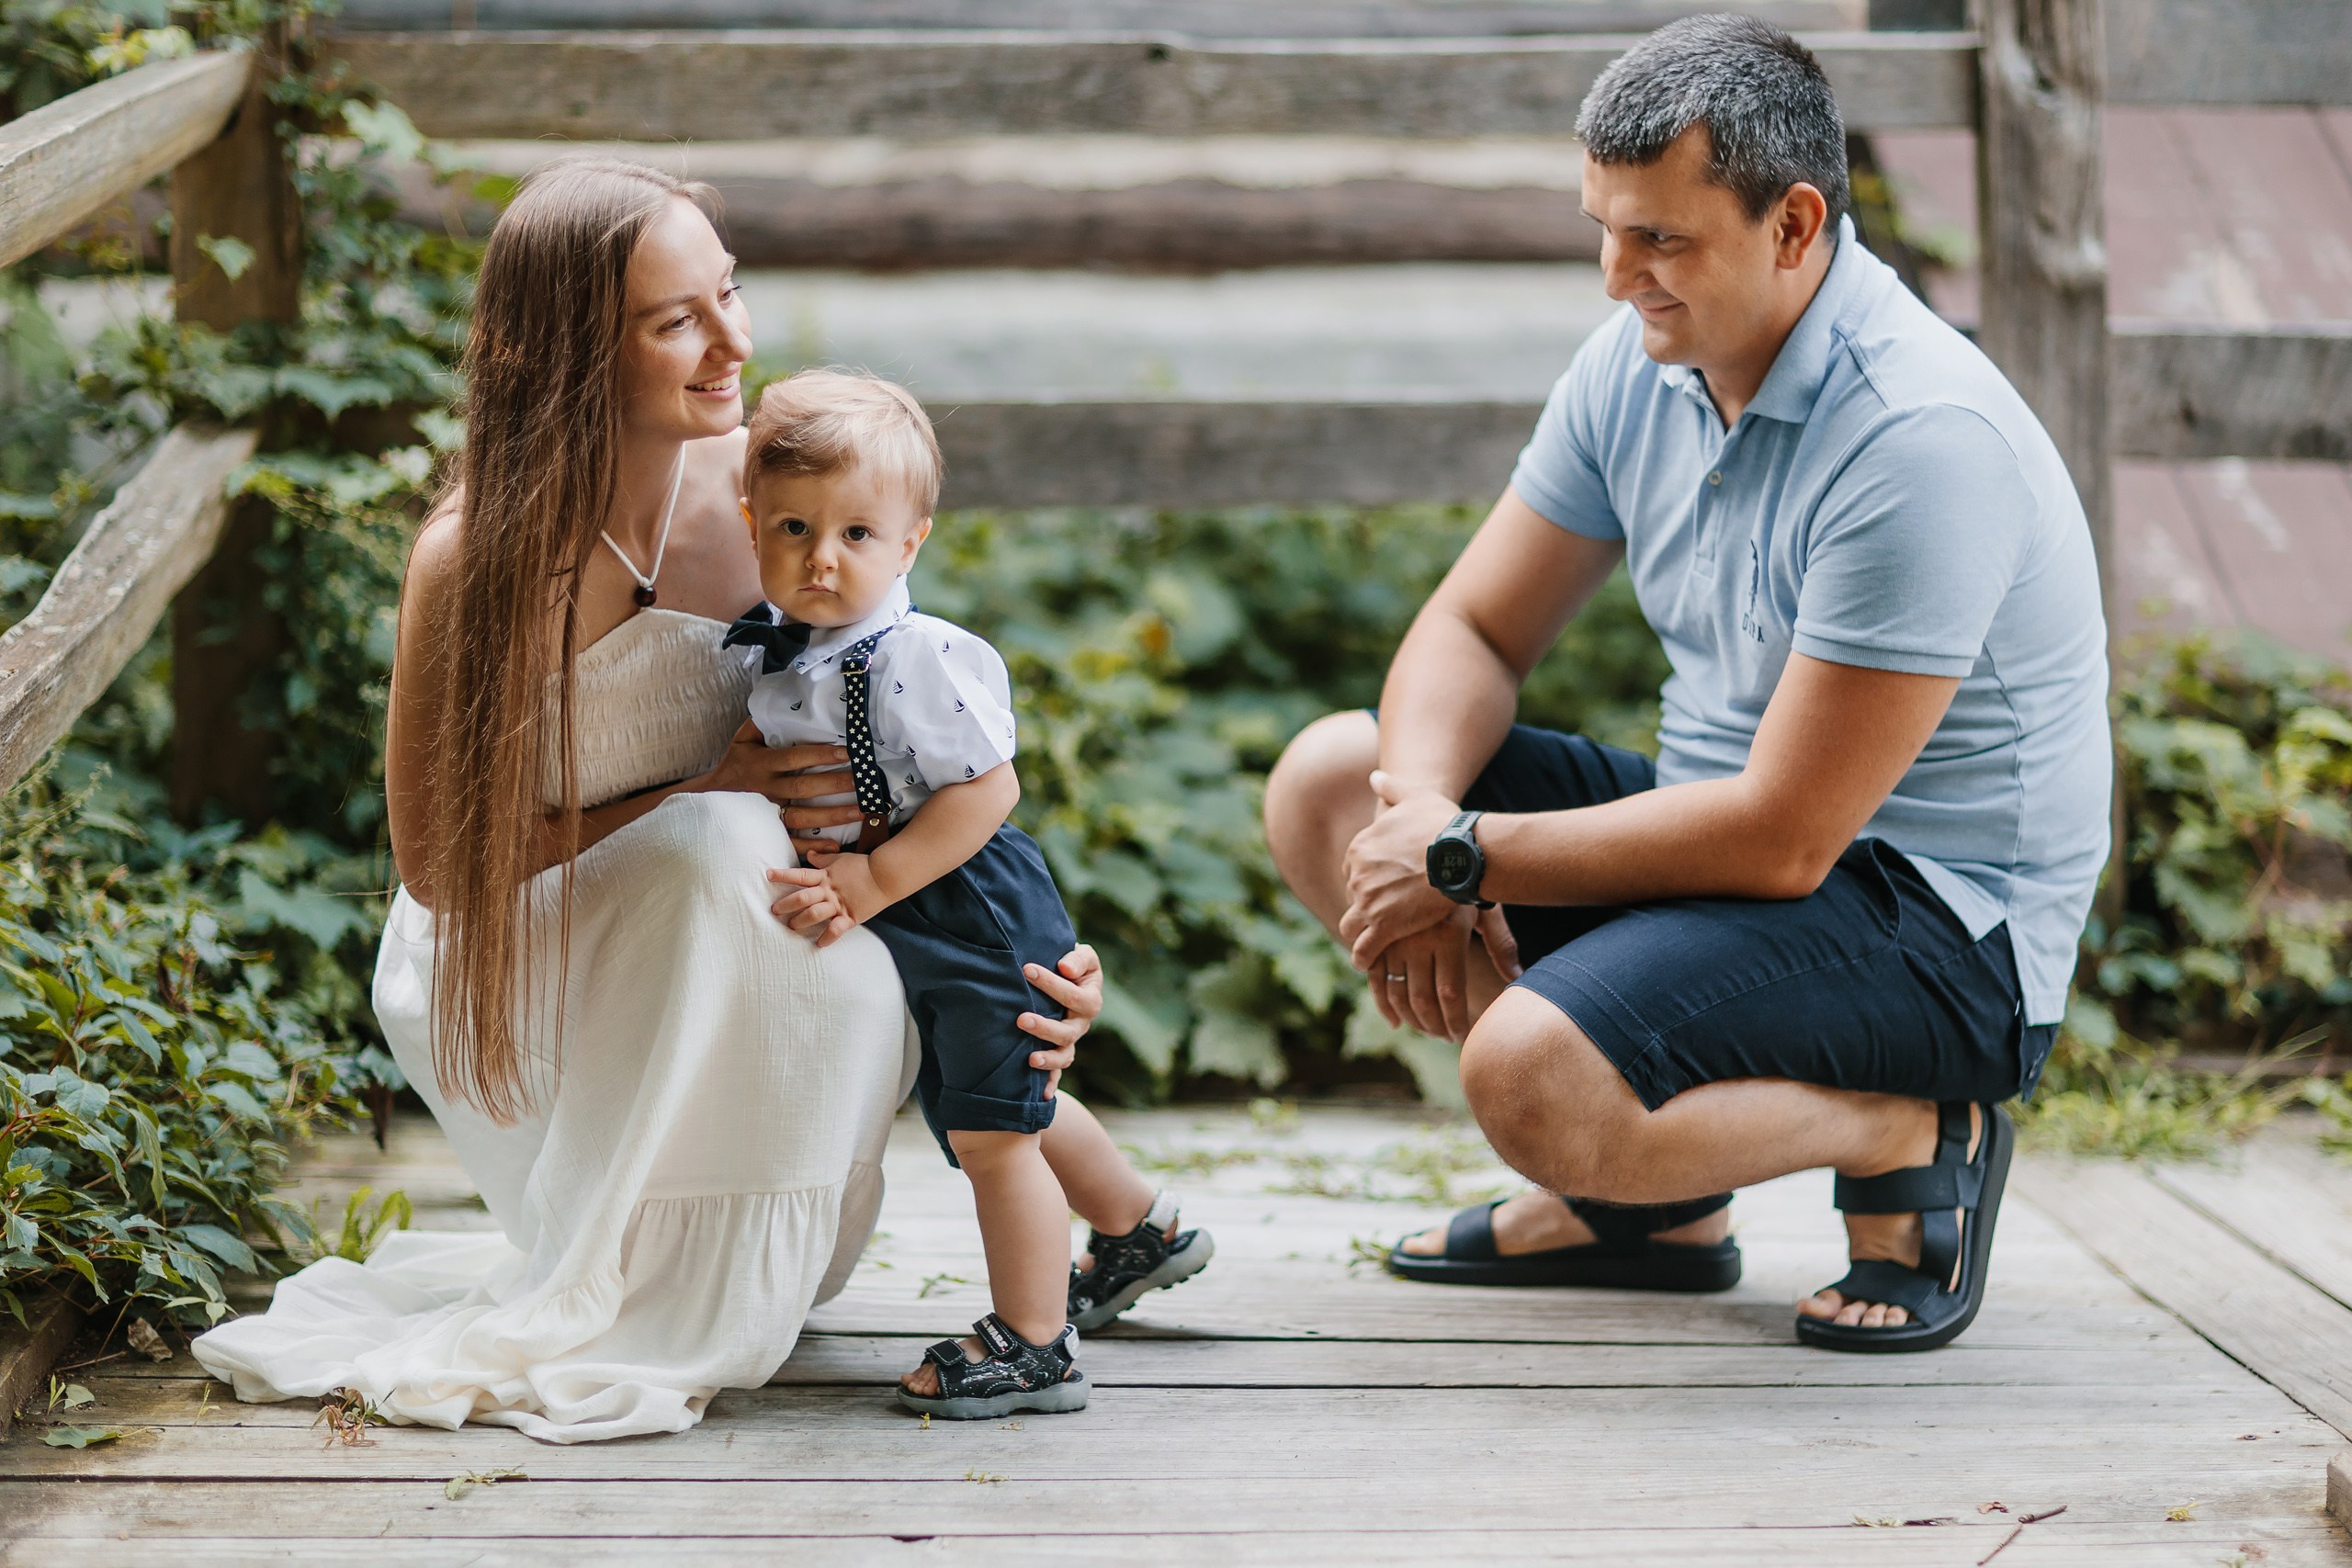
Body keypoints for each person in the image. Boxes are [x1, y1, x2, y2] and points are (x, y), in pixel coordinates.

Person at [191, 159, 1106, 1441]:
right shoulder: (477, 557)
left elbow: (916, 740)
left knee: (781, 882)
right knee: (720, 838)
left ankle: (909, 1237)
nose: (735, 341)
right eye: (678, 319)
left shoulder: (773, 495)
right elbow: (443, 869)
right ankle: (636, 1260)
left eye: (728, 292)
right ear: (568, 352)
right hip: (524, 944)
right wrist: (701, 784)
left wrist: (1036, 955)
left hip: (755, 925)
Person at [1263, 16, 2109, 1351]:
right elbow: (1476, 627)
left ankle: (1912, 1127)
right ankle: (1642, 1206)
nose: (1617, 278)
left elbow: (1785, 836)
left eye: (1661, 239)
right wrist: (1421, 809)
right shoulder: (1648, 361)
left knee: (1527, 1073)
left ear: (1793, 226)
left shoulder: (1918, 438)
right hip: (1732, 842)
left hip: (1936, 925)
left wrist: (1466, 856)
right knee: (1333, 778)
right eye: (1606, 228)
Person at [723, 370, 1212, 1417]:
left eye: (858, 534)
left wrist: (873, 877)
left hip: (963, 897)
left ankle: (1036, 1343)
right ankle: (1140, 1230)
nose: (822, 558)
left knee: (993, 1131)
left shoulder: (913, 658)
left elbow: (990, 788)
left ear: (911, 543)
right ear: (749, 520)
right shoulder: (793, 645)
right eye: (795, 527)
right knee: (990, 1103)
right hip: (908, 900)